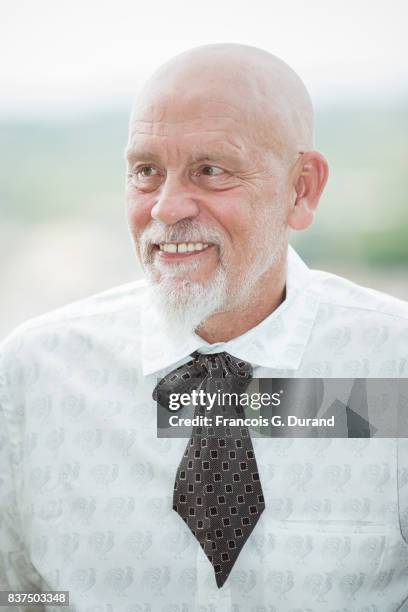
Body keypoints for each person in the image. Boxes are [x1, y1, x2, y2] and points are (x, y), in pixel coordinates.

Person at [1, 43, 408, 612]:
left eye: (211, 170)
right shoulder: (34, 376)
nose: (166, 208)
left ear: (302, 189)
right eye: (146, 171)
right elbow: (19, 597)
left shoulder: (394, 367)